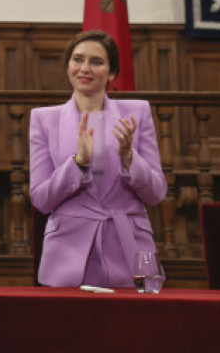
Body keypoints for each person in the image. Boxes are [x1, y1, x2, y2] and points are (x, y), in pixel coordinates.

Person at [29, 30, 166, 288]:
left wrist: (129, 157)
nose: (84, 68)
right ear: (68, 66)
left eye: (96, 61)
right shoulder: (43, 119)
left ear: (112, 73)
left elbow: (157, 194)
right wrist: (77, 163)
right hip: (67, 253)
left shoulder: (139, 112)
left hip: (134, 246)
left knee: (142, 323)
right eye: (77, 59)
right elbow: (41, 200)